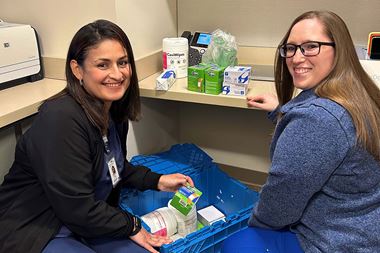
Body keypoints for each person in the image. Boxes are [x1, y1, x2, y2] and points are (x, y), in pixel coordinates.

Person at [0, 19, 194, 253]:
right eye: (103, 65)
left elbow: (113, 167)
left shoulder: (111, 110)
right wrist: (132, 225)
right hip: (42, 228)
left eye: (122, 62)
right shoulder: (60, 119)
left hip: (89, 220)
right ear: (77, 69)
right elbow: (76, 207)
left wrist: (157, 181)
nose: (117, 74)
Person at [222, 10, 380, 253]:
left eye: (310, 47)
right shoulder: (358, 93)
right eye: (291, 48)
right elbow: (332, 138)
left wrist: (256, 226)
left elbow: (279, 205)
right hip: (364, 225)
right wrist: (281, 111)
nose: (296, 58)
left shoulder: (316, 120)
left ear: (339, 50)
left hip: (335, 241)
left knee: (238, 244)